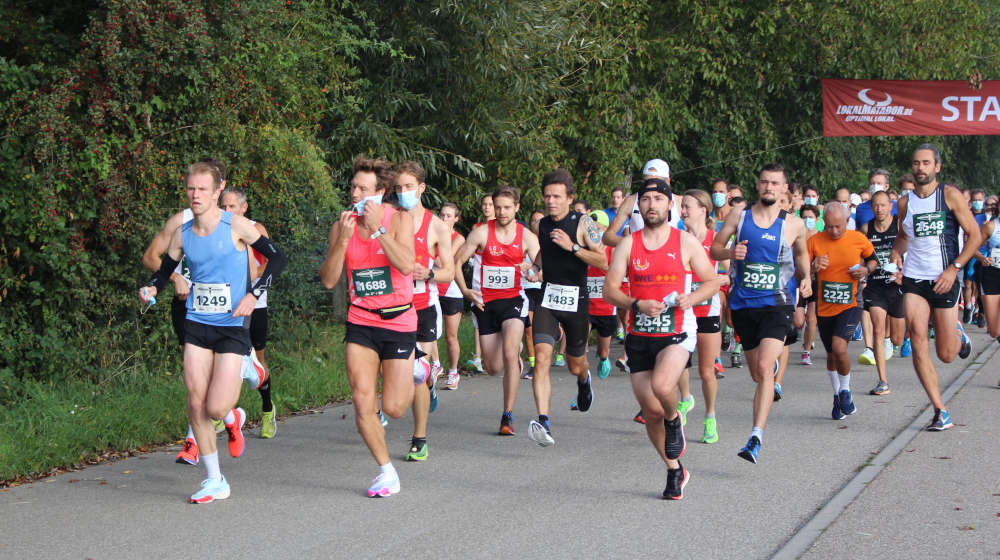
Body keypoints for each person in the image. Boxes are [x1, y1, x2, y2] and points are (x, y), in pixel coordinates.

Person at [140, 161, 287, 503]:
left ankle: (234, 416)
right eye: (191, 188)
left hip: (232, 325)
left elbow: (277, 259)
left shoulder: (236, 225)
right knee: (195, 401)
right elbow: (164, 270)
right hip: (197, 322)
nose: (195, 195)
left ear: (218, 191)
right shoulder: (183, 232)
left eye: (203, 189)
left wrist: (253, 295)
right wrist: (151, 288)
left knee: (216, 409)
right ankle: (214, 478)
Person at [603, 177, 720, 500]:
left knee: (662, 388)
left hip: (678, 331)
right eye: (646, 199)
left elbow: (712, 281)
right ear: (638, 206)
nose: (651, 205)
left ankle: (674, 417)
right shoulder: (629, 243)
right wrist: (634, 304)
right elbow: (609, 290)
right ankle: (674, 469)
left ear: (671, 205)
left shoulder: (684, 242)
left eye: (658, 199)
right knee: (649, 411)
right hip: (640, 333)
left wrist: (691, 298)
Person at [320, 155, 416, 497]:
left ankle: (419, 369)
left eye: (363, 189)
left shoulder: (399, 218)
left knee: (394, 408)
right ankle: (386, 471)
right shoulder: (341, 225)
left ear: (381, 192)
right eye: (353, 187)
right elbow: (330, 281)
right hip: (361, 320)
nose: (355, 194)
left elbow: (406, 265)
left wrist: (378, 230)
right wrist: (343, 241)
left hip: (400, 319)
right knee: (362, 402)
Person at [711, 163, 811, 464]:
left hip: (777, 304)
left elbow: (803, 255)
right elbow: (715, 248)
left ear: (784, 189)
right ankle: (765, 399)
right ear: (758, 185)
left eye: (775, 183)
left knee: (767, 368)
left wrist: (806, 278)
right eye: (764, 182)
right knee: (757, 374)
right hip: (744, 305)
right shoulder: (739, 217)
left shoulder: (793, 224)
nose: (769, 187)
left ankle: (755, 437)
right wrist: (730, 253)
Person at [890, 143, 980, 432]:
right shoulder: (905, 203)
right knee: (916, 338)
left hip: (945, 277)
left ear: (937, 167)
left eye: (926, 163)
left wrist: (954, 269)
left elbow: (974, 235)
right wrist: (895, 253)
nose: (921, 168)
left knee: (946, 354)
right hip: (915, 279)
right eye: (916, 163)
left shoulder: (949, 196)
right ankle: (940, 410)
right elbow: (904, 236)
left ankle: (959, 337)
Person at [526, 168, 607, 446]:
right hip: (548, 299)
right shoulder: (544, 225)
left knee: (575, 364)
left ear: (569, 198)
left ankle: (584, 381)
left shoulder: (584, 224)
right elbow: (544, 250)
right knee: (542, 357)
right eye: (547, 196)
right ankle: (544, 421)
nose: (551, 201)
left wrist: (572, 247)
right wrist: (535, 266)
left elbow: (603, 262)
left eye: (557, 196)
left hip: (576, 301)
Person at [454, 186, 540, 434]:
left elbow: (540, 268)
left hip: (513, 300)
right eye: (498, 207)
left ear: (517, 208)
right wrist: (466, 291)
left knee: (511, 352)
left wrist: (533, 274)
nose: (501, 212)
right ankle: (513, 359)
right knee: (493, 367)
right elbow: (457, 263)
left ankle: (507, 416)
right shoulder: (481, 233)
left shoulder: (526, 237)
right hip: (485, 303)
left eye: (507, 207)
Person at [392, 161, 455, 462]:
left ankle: (419, 438)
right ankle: (429, 379)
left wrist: (427, 273)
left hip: (422, 307)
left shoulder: (437, 227)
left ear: (421, 188)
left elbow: (449, 272)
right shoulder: (389, 220)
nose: (403, 192)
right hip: (392, 308)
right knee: (408, 373)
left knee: (415, 375)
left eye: (408, 187)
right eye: (398, 188)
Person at [808, 202, 877, 419]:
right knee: (831, 354)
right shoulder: (814, 242)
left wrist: (865, 270)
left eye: (839, 226)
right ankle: (837, 396)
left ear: (847, 221)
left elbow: (874, 261)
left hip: (851, 303)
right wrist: (812, 266)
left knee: (839, 347)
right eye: (829, 227)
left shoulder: (858, 239)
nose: (834, 231)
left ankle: (846, 391)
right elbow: (801, 270)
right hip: (825, 305)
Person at [220, 187, 278, 438]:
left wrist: (254, 275)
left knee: (257, 363)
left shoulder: (257, 228)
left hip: (255, 303)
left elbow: (270, 260)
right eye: (223, 206)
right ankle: (226, 414)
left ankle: (267, 410)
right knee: (225, 361)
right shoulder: (216, 228)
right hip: (226, 305)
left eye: (231, 206)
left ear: (243, 208)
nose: (226, 211)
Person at [679, 189, 728, 443]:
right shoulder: (676, 238)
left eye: (688, 206)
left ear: (703, 210)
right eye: (682, 206)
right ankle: (686, 399)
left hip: (708, 309)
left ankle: (710, 417)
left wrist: (723, 278)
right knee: (679, 363)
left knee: (707, 371)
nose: (683, 211)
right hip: (683, 309)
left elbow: (730, 271)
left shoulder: (715, 239)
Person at [859, 191, 904, 396]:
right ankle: (882, 381)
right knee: (877, 329)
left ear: (890, 206)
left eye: (883, 205)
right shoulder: (866, 229)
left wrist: (904, 273)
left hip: (897, 286)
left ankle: (889, 341)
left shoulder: (900, 226)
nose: (879, 209)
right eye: (876, 205)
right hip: (876, 286)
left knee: (897, 339)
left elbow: (911, 251)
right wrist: (862, 274)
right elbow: (860, 256)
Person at [583, 210, 615, 380]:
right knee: (580, 341)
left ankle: (603, 358)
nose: (594, 231)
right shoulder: (583, 247)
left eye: (597, 227)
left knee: (603, 350)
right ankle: (583, 370)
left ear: (605, 227)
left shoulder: (612, 249)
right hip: (586, 304)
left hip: (606, 307)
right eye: (591, 227)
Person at [466, 194, 496, 374]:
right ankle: (478, 357)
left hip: (496, 281)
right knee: (478, 320)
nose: (487, 208)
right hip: (478, 280)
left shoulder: (500, 228)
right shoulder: (476, 228)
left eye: (490, 204)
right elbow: (470, 251)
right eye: (484, 204)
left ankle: (505, 351)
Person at [437, 203, 466, 390]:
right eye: (442, 215)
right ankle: (435, 366)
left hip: (451, 290)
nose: (444, 219)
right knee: (430, 334)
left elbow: (442, 261)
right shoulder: (433, 235)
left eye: (449, 216)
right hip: (432, 288)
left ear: (456, 219)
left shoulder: (459, 239)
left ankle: (453, 372)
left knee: (450, 336)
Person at [522, 210, 546, 379]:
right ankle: (533, 365)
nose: (536, 223)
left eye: (540, 220)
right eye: (533, 220)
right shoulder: (523, 241)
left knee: (542, 329)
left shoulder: (551, 242)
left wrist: (537, 274)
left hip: (545, 289)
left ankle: (557, 331)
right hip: (526, 289)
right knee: (529, 329)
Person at [797, 204, 820, 365]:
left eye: (810, 217)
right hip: (797, 280)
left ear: (817, 219)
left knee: (811, 318)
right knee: (799, 321)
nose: (807, 220)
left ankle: (806, 351)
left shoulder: (821, 238)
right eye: (804, 217)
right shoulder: (796, 238)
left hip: (816, 282)